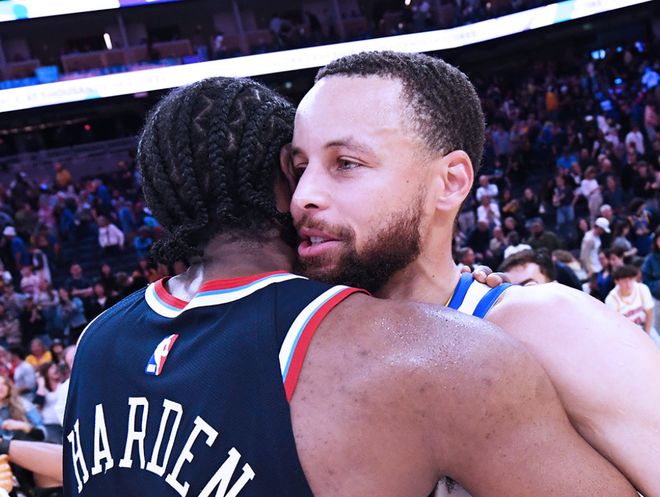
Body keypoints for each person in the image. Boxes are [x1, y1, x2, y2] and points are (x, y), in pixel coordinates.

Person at [55, 78, 635, 496]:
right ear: (285, 181)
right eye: (303, 166)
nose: (313, 191)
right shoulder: (437, 355)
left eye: (344, 164)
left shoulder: (97, 342)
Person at [289, 50, 660, 497]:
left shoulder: (549, 325)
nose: (303, 195)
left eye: (346, 163)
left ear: (450, 182)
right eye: (299, 168)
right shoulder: (290, 347)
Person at [606, 265, 655, 335]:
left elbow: (649, 313)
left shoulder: (642, 288)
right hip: (626, 334)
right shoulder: (611, 299)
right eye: (625, 281)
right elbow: (614, 325)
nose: (628, 284)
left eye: (631, 279)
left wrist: (647, 334)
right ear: (617, 281)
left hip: (645, 328)